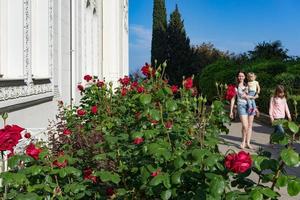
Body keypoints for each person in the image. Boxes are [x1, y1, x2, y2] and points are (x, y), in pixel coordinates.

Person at [230, 71, 258, 149]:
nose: (241, 77)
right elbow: (233, 99)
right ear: (237, 77)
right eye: (239, 76)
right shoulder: (235, 86)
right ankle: (243, 141)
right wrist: (231, 111)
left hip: (250, 106)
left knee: (250, 125)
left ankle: (248, 143)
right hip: (241, 106)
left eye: (242, 76)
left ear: (245, 77)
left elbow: (255, 93)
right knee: (245, 125)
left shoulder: (249, 84)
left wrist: (256, 96)